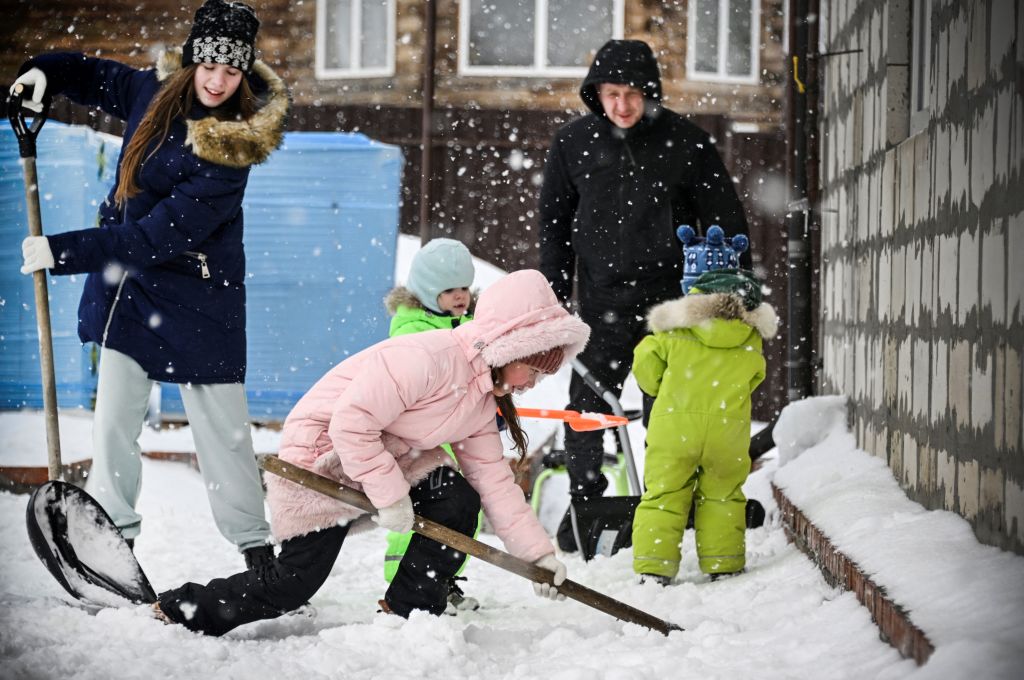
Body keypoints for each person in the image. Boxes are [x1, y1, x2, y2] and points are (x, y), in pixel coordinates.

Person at [152, 269, 590, 636]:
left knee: (459, 499)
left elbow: (492, 478)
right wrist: (390, 495)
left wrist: (538, 556)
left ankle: (409, 613)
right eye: (532, 368)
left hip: (387, 455)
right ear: (507, 345)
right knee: (291, 585)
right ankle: (182, 607)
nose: (532, 382)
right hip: (322, 453)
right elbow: (351, 424)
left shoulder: (479, 398)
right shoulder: (428, 358)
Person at [12, 0, 288, 568]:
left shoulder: (230, 151)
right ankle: (116, 544)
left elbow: (153, 238)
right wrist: (45, 69)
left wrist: (62, 251)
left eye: (231, 70)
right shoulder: (153, 96)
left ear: (243, 75)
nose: (217, 80)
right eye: (209, 65)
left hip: (197, 298)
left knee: (224, 437)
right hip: (130, 296)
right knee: (114, 424)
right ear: (193, 61)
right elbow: (93, 75)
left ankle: (258, 556)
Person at [537, 39, 751, 551]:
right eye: (610, 94)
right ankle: (586, 503)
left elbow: (725, 218)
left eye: (631, 93)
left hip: (670, 305)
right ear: (597, 95)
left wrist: (724, 289)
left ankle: (666, 502)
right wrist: (553, 299)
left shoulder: (686, 143)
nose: (622, 106)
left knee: (671, 408)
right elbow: (554, 227)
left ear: (648, 92)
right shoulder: (573, 144)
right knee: (586, 406)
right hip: (601, 302)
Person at [630, 229, 776, 584]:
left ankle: (654, 568)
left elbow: (646, 372)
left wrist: (666, 385)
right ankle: (724, 563)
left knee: (664, 496)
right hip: (727, 435)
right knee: (724, 496)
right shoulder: (750, 338)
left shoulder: (671, 331)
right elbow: (755, 377)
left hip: (674, 431)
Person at [381, 237, 480, 612]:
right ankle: (402, 579)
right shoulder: (411, 331)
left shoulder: (469, 324)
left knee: (464, 512)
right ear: (425, 292)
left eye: (464, 288)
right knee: (421, 512)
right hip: (420, 441)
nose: (460, 296)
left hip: (459, 435)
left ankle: (443, 578)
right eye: (449, 289)